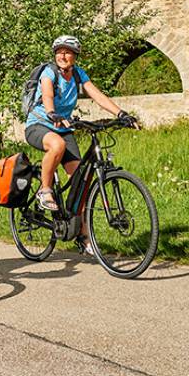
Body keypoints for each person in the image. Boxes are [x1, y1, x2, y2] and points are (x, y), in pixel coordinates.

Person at [24, 35, 138, 254]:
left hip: (63, 127)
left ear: (75, 56)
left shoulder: (78, 74)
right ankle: (44, 190)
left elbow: (97, 95)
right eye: (60, 52)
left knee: (81, 184)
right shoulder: (49, 73)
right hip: (39, 125)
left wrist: (121, 114)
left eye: (68, 52)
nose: (63, 56)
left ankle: (83, 236)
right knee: (56, 145)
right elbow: (47, 94)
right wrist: (52, 112)